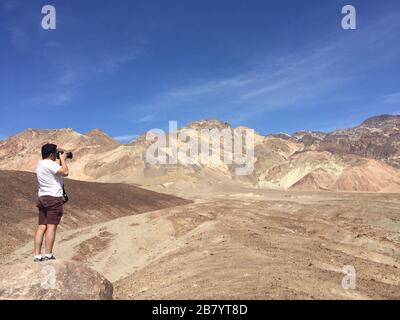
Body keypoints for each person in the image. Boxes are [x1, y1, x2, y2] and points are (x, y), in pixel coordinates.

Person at [33, 143, 69, 262]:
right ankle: (48, 254)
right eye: (56, 153)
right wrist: (63, 160)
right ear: (52, 154)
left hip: (42, 197)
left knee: (41, 227)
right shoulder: (50, 164)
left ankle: (37, 255)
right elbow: (65, 172)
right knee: (51, 227)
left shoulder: (40, 164)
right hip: (53, 198)